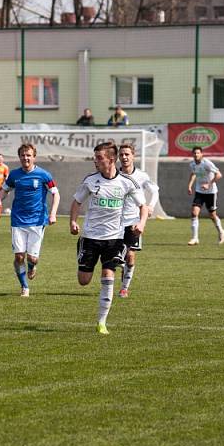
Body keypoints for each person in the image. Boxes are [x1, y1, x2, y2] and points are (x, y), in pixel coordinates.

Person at [70, 141, 147, 335]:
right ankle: (86, 258)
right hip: (90, 237)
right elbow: (77, 201)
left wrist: (141, 224)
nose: (95, 161)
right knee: (84, 280)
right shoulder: (90, 180)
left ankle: (102, 322)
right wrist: (73, 221)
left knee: (108, 275)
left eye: (98, 158)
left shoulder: (127, 182)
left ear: (111, 160)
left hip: (115, 238)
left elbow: (143, 206)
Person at [0, 143, 60, 297]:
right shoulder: (14, 175)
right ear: (19, 157)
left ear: (34, 157)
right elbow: (5, 189)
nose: (26, 158)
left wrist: (53, 214)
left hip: (37, 221)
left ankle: (31, 266)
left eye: (28, 155)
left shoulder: (44, 175)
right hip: (18, 220)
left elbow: (55, 194)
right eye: (23, 155)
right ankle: (24, 287)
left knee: (33, 258)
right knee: (19, 256)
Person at [117, 144, 159, 298]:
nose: (124, 157)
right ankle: (120, 268)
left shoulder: (141, 176)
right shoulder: (114, 175)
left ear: (133, 156)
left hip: (134, 220)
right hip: (115, 222)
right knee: (117, 258)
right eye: (121, 155)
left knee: (131, 256)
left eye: (127, 154)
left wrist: (150, 207)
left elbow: (154, 190)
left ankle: (124, 288)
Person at [187, 146, 224, 245]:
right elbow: (193, 173)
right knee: (194, 213)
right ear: (193, 154)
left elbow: (219, 175)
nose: (196, 155)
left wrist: (209, 184)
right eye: (194, 153)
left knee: (212, 215)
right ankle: (195, 238)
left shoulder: (207, 163)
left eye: (198, 153)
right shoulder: (192, 164)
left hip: (211, 192)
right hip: (199, 191)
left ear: (201, 154)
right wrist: (190, 186)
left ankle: (221, 231)